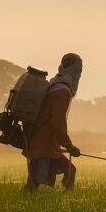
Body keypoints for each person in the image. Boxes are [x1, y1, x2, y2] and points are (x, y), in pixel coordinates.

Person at [23, 53, 83, 191]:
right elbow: (57, 122)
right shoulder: (63, 91)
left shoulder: (53, 85)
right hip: (45, 143)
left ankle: (68, 200)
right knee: (33, 184)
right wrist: (69, 146)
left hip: (43, 141)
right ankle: (68, 199)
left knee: (70, 171)